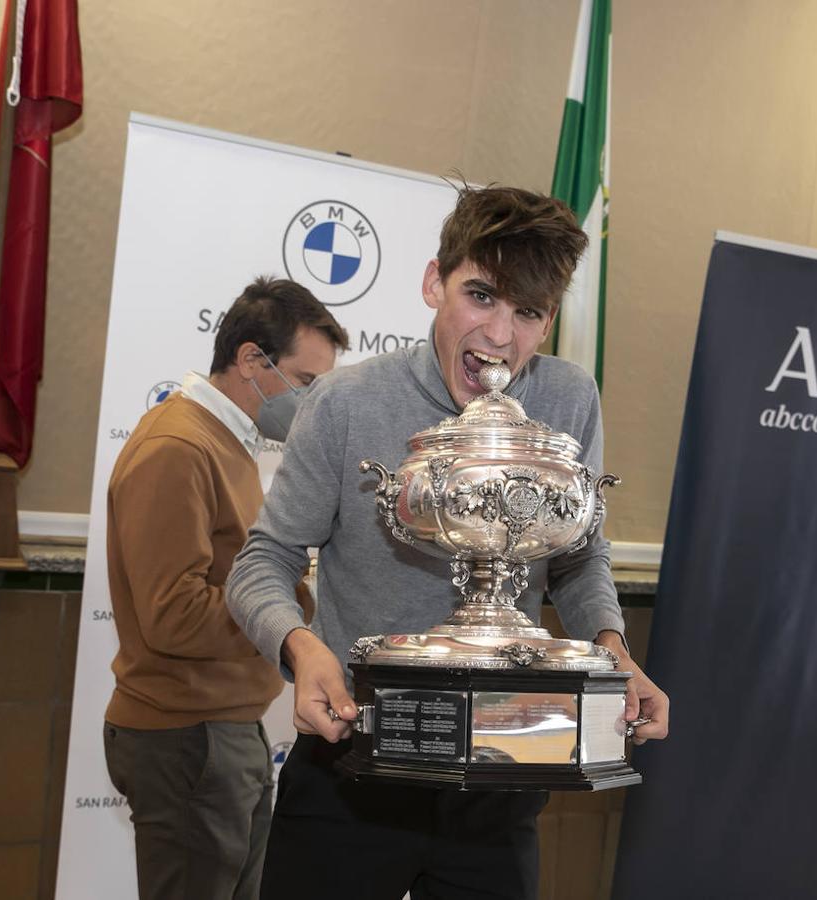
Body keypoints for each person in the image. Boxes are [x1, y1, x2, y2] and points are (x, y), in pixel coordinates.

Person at [226, 186, 670, 900]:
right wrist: (302, 649)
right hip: (353, 761)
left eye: (528, 312)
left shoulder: (566, 400)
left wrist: (615, 653)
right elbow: (263, 562)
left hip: (504, 764)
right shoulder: (345, 402)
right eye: (482, 295)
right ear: (435, 282)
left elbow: (578, 553)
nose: (500, 335)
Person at [103, 276, 349, 900]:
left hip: (221, 730)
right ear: (250, 360)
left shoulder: (228, 443)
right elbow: (173, 615)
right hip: (186, 736)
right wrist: (282, 618)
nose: (313, 403)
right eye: (307, 382)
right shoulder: (178, 446)